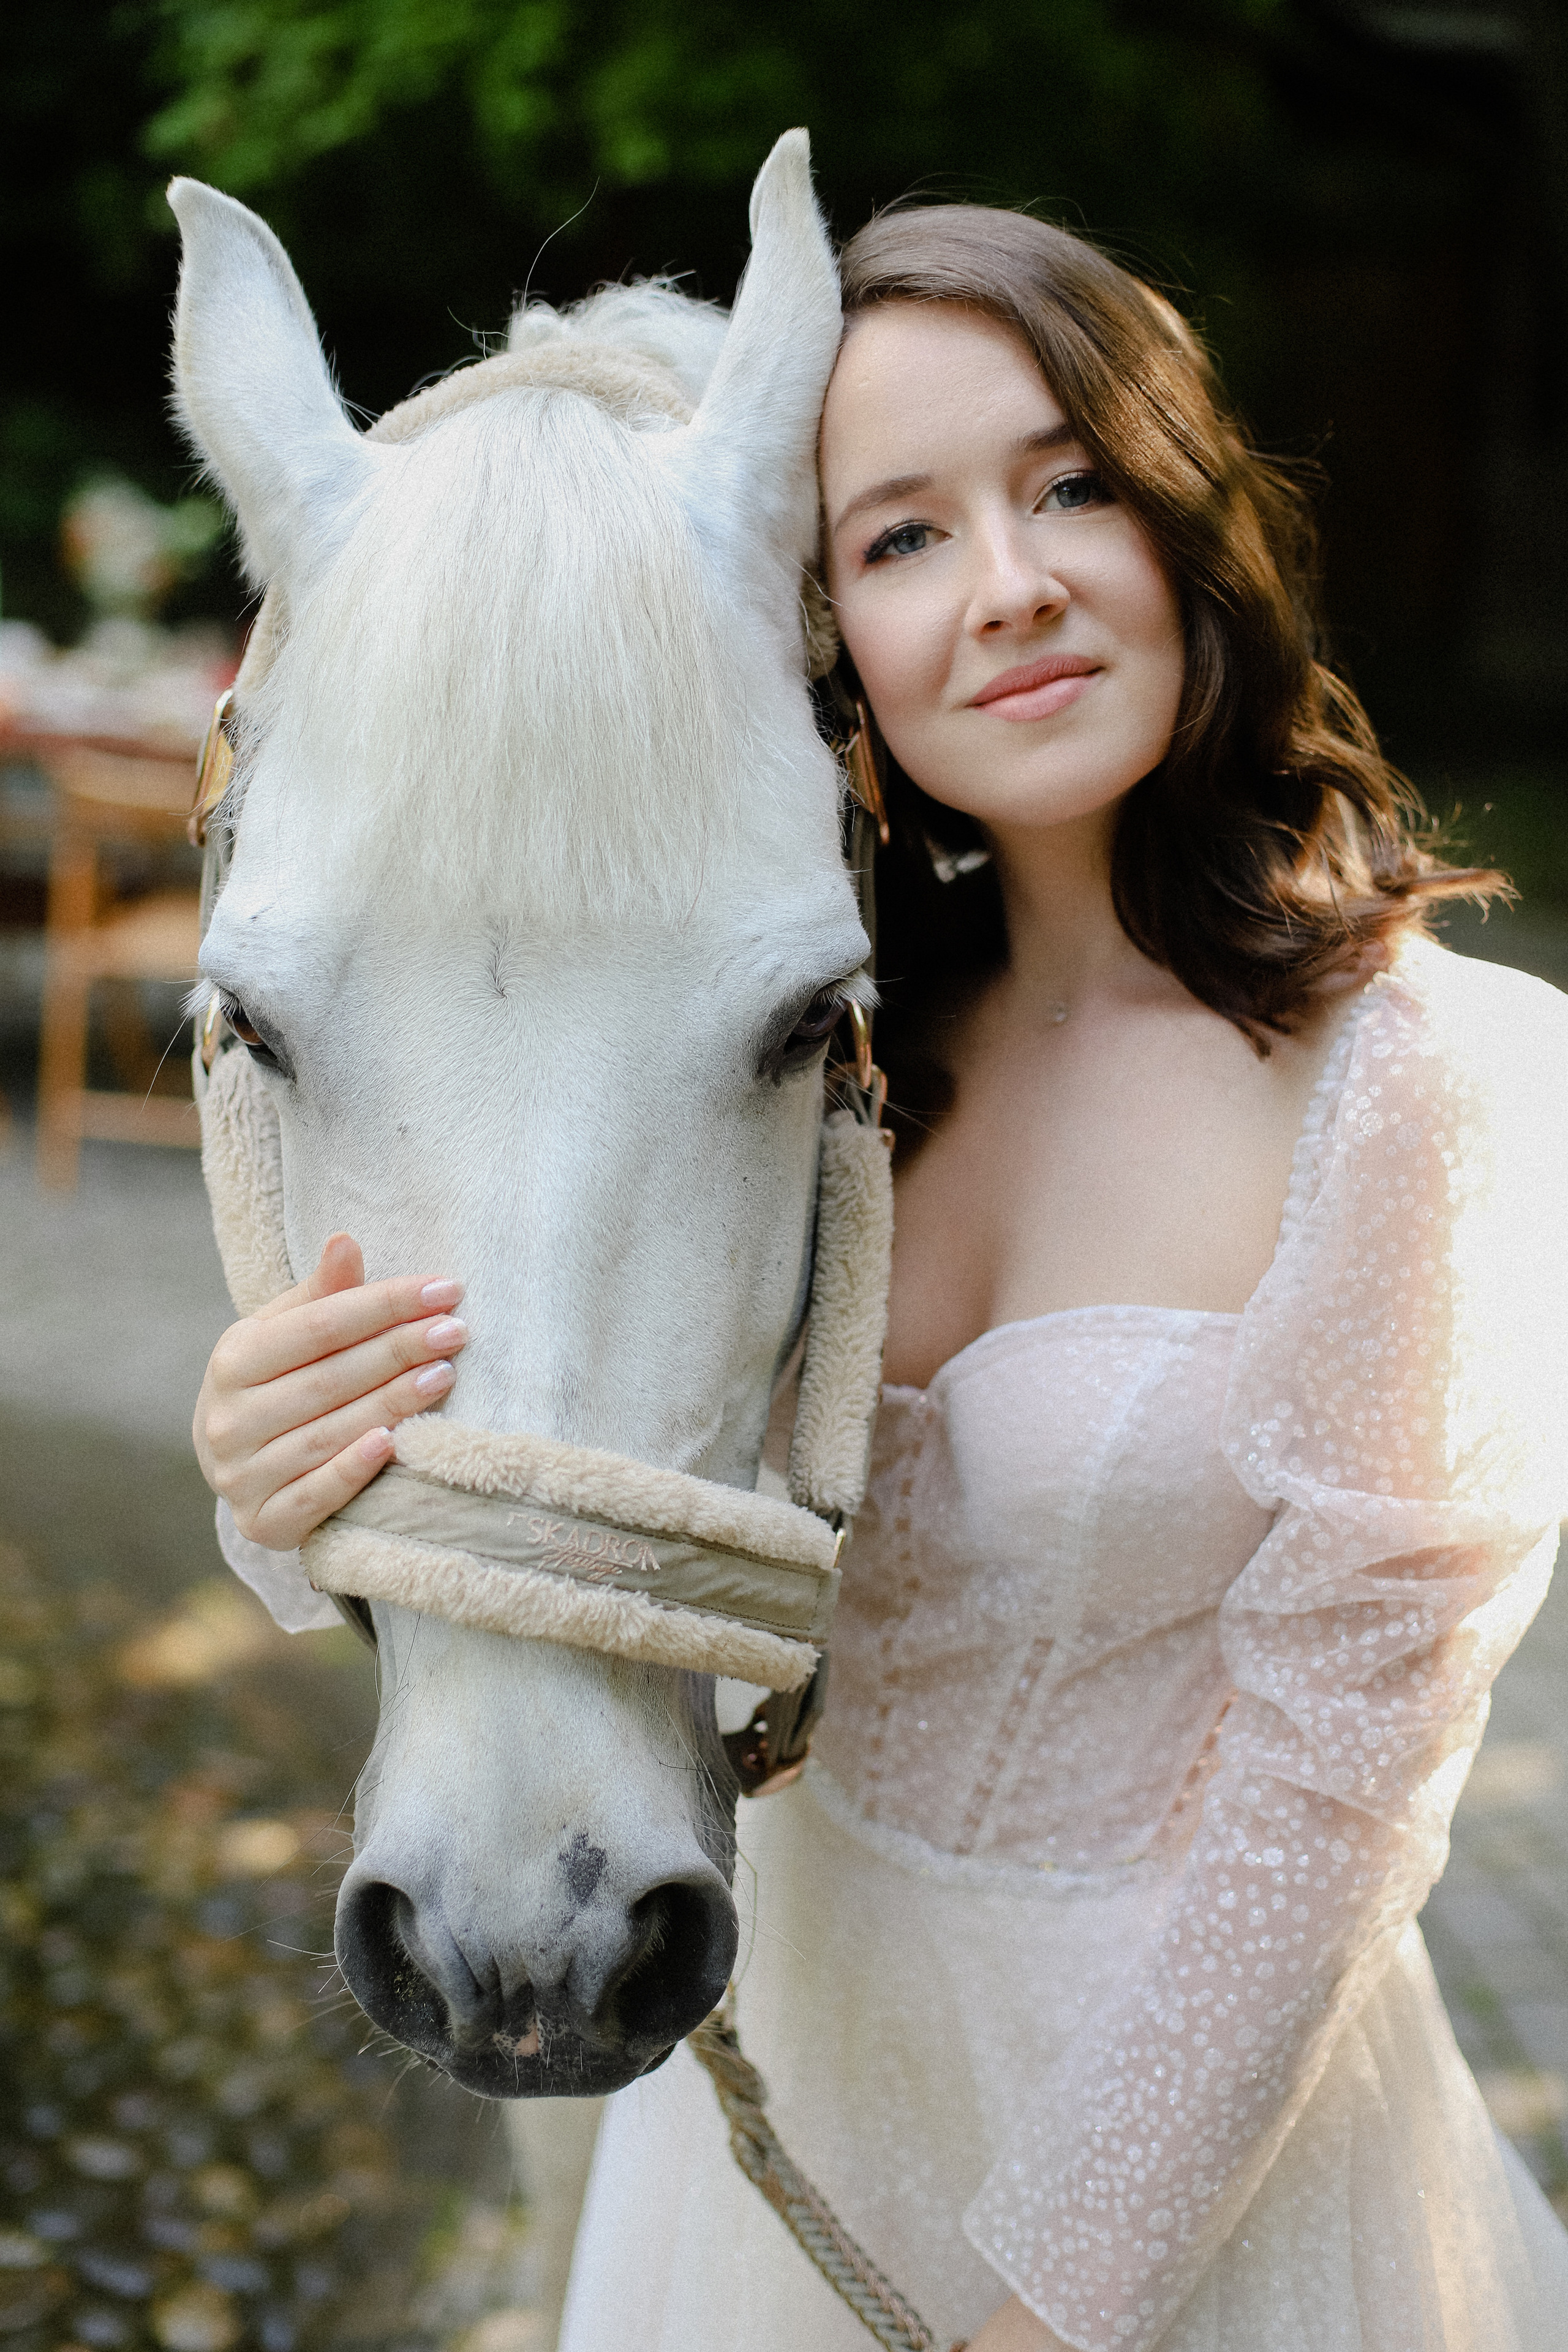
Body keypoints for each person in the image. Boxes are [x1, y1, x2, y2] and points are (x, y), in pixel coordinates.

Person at [194, 203, 1568, 2350]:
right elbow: (580, 1444)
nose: (1007, 585)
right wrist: (284, 1492)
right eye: (903, 537)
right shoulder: (816, 1067)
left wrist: (1046, 2314)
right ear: (820, 618)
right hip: (768, 2130)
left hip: (1179, 2185)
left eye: (1071, 489)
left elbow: (1334, 1803)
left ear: (1190, 518)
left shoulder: (1421, 1089)